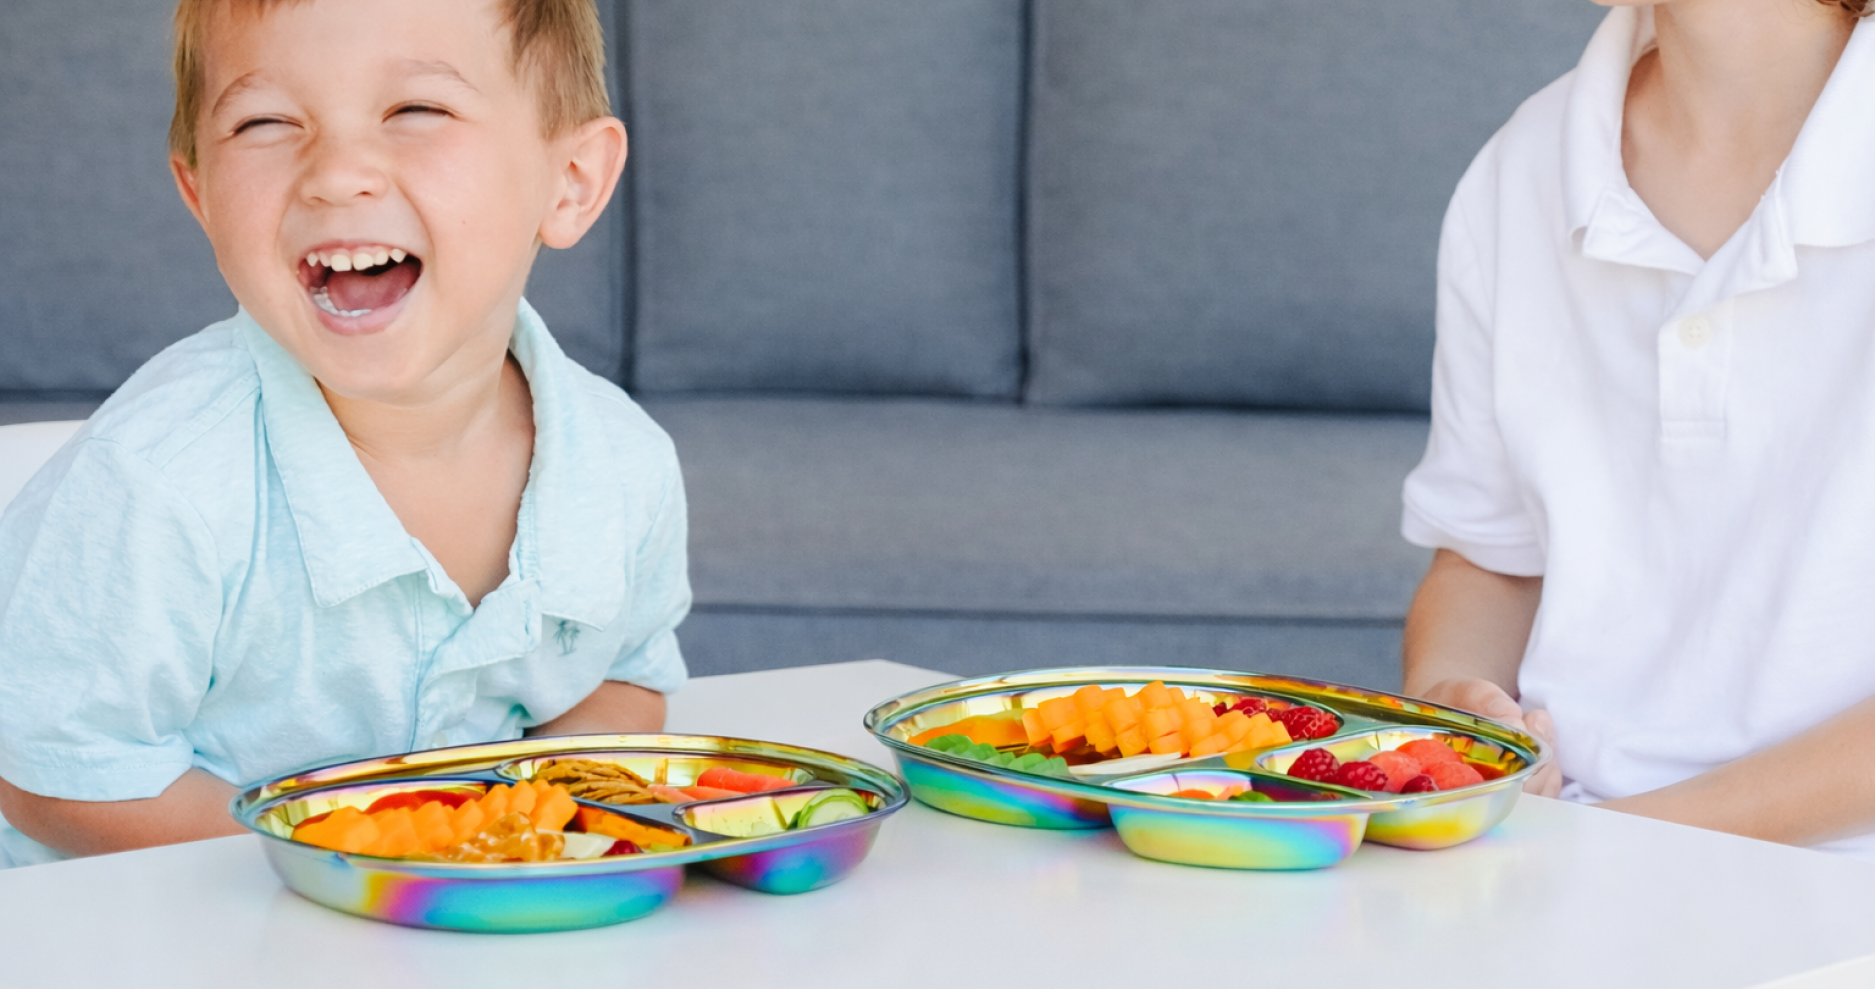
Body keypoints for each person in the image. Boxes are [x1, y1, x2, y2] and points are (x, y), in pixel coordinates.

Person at [0, 0, 688, 868]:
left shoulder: (625, 467)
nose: (336, 172)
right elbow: (59, 773)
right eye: (265, 122)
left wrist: (524, 827)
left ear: (572, 181)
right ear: (200, 193)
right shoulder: (159, 481)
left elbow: (623, 676)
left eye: (415, 111)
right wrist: (368, 859)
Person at [1402, 0, 1875, 854]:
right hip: (1560, 849)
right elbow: (1487, 558)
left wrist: (1608, 850)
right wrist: (1455, 708)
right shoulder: (1526, 163)